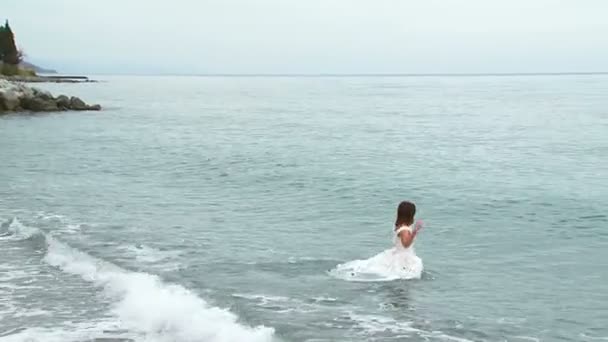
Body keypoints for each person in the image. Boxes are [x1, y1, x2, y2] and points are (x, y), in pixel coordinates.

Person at [331, 200, 424, 280]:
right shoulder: (404, 230)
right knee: (400, 274)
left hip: (398, 253)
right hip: (404, 257)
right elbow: (405, 244)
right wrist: (415, 231)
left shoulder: (399, 226)